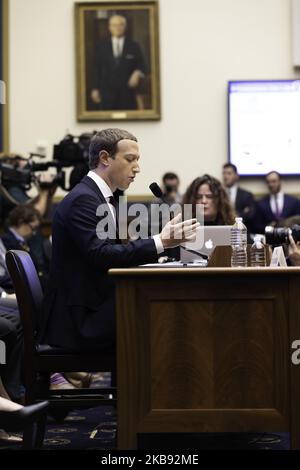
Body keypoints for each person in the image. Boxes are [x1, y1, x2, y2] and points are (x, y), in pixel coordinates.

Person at [39, 128, 199, 353]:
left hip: (94, 305)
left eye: (138, 160)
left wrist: (161, 244)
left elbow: (110, 252)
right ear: (105, 158)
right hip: (81, 319)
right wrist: (160, 242)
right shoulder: (84, 199)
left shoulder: (100, 197)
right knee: (163, 315)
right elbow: (100, 254)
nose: (137, 168)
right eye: (130, 159)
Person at [90, 14, 146, 110]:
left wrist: (137, 72)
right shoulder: (101, 47)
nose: (118, 27)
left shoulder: (134, 46)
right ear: (109, 27)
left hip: (127, 94)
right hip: (106, 94)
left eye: (121, 24)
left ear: (125, 27)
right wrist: (94, 89)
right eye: (114, 25)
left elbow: (143, 65)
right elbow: (96, 69)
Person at [222, 163, 255, 229]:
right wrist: (241, 213)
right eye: (224, 173)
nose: (225, 177)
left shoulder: (246, 195)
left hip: (242, 231)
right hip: (223, 230)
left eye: (229, 173)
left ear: (236, 176)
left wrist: (233, 217)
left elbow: (250, 216)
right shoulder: (219, 194)